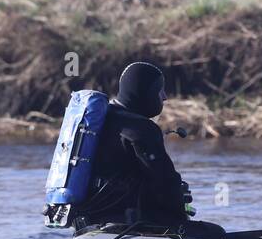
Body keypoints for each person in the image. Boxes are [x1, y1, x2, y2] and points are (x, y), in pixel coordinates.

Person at [74, 61, 195, 230]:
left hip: (88, 224)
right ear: (145, 92)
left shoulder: (100, 121)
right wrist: (180, 214)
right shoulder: (141, 128)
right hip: (127, 227)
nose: (165, 97)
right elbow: (165, 183)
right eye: (159, 90)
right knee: (214, 232)